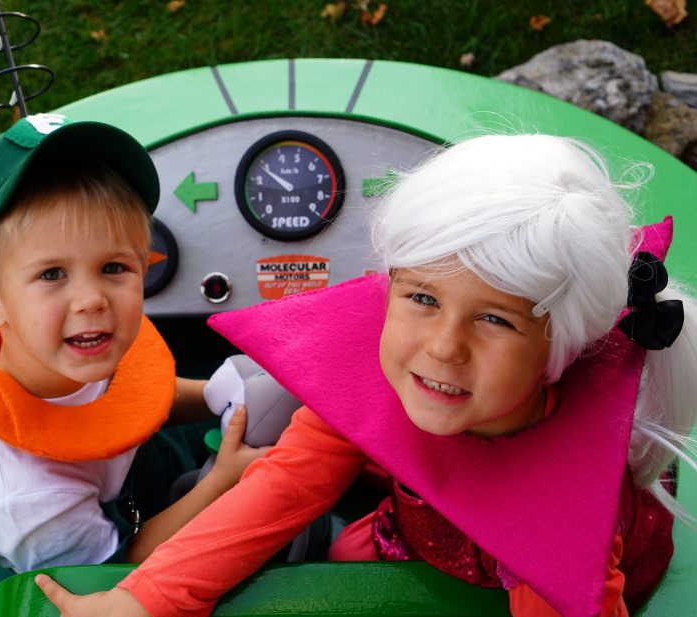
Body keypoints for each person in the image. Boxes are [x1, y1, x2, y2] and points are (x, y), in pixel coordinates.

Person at [36, 133, 697, 617]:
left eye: (495, 320)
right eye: (422, 298)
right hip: (409, 532)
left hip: (518, 581)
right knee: (345, 552)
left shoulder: (566, 517)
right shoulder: (386, 377)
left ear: (561, 345)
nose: (441, 349)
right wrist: (147, 596)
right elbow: (287, 482)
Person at [0, 112, 265, 593]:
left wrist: (215, 394)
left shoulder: (73, 346)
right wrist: (222, 484)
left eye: (113, 266)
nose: (92, 300)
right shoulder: (25, 498)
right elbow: (122, 571)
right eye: (51, 274)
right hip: (102, 563)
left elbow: (135, 396)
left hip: (142, 474)